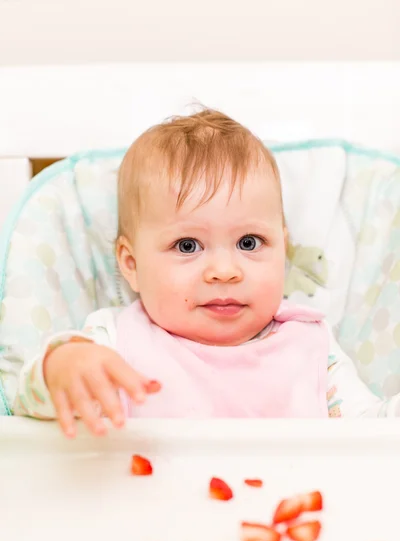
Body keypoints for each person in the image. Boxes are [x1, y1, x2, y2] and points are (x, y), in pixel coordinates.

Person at [12, 109, 398, 437]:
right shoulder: (113, 344)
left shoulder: (314, 349)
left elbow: (371, 433)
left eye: (249, 242)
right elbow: (25, 404)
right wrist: (59, 368)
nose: (225, 271)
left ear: (284, 248)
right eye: (187, 246)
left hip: (290, 518)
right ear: (130, 265)